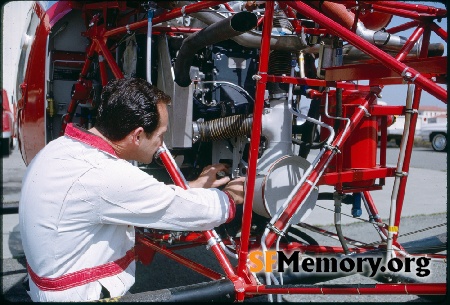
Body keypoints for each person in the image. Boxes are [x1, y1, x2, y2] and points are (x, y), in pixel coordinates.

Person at [19, 78, 245, 302]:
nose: (161, 144)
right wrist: (231, 198)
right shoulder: (103, 174)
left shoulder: (63, 149)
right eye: (160, 135)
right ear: (137, 136)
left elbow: (124, 196)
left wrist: (194, 186)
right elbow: (180, 209)